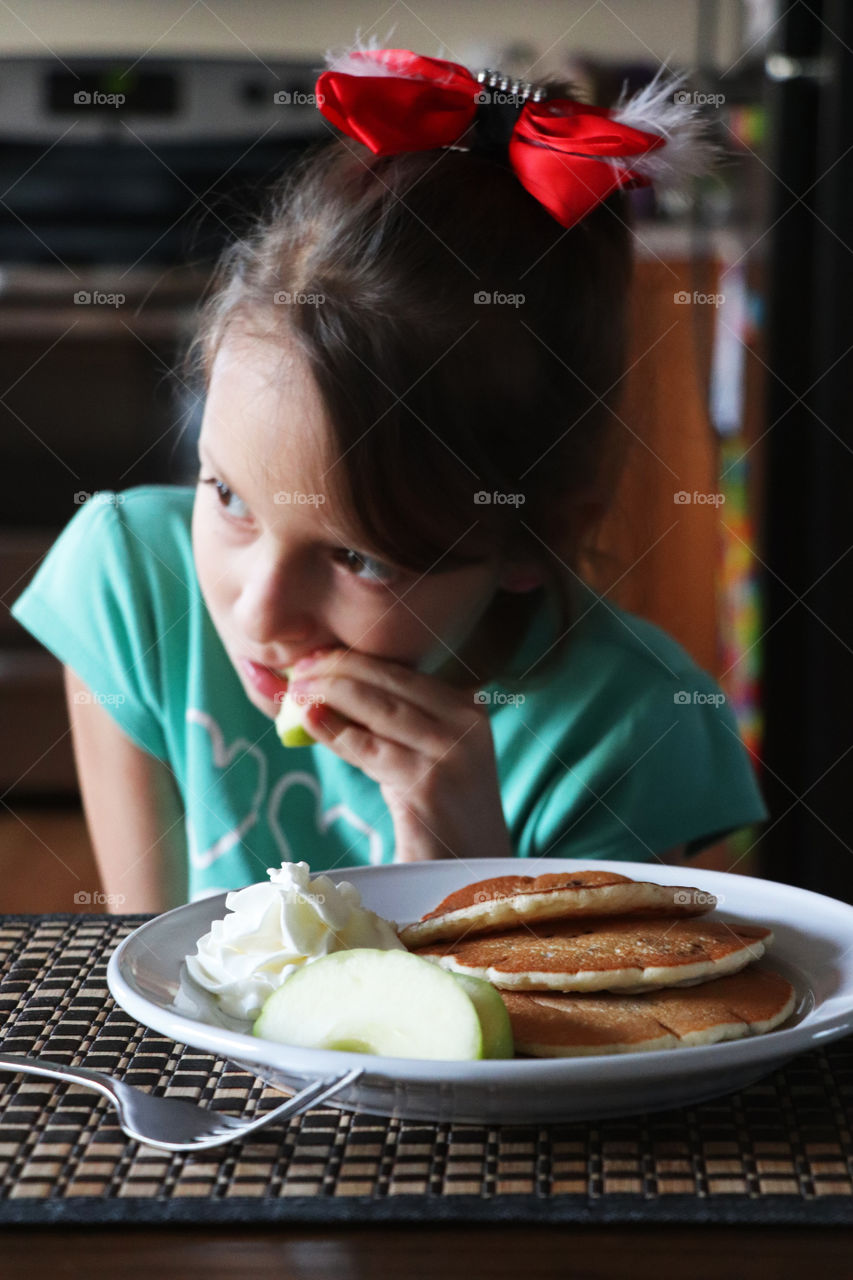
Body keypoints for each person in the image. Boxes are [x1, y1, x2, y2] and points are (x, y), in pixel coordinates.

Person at [10, 46, 767, 911]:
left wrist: (461, 872)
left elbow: (611, 999)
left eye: (358, 558)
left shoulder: (629, 731)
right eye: (228, 497)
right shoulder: (133, 589)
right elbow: (151, 957)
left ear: (536, 536)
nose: (259, 616)